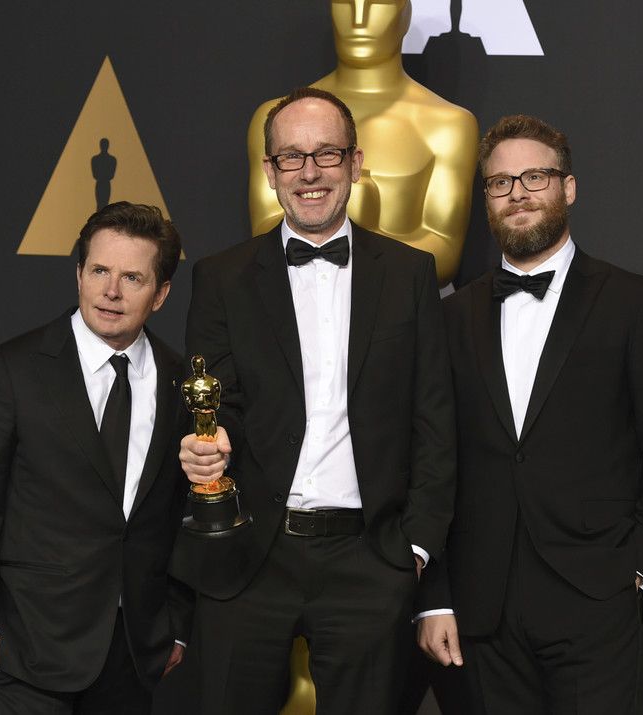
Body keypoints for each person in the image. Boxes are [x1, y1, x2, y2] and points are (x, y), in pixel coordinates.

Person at [172, 87, 455, 715]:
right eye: (292, 157)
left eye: (326, 153)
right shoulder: (220, 278)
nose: (310, 172)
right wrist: (210, 447)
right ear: (270, 171)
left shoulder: (409, 273)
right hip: (250, 557)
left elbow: (434, 419)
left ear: (356, 163)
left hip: (368, 559)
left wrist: (413, 550)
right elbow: (218, 405)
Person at [417, 115, 643, 713]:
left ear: (568, 188)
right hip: (477, 609)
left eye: (535, 177)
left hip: (595, 596)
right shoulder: (450, 317)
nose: (518, 193)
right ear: (486, 199)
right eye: (500, 183)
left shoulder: (632, 302)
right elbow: (429, 461)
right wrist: (435, 596)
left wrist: (637, 571)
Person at [0, 201, 192, 714]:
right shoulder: (14, 368)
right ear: (79, 273)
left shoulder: (180, 379)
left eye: (132, 278)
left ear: (161, 293)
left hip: (134, 651)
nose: (111, 291)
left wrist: (178, 627)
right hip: (29, 646)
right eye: (99, 271)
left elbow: (183, 513)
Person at [246, 0, 479, 287]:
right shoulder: (276, 120)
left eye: (378, 3)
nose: (358, 19)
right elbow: (262, 237)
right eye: (345, 3)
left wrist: (360, 234)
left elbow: (444, 252)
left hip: (399, 307)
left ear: (405, 13)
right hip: (289, 299)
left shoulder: (449, 125)